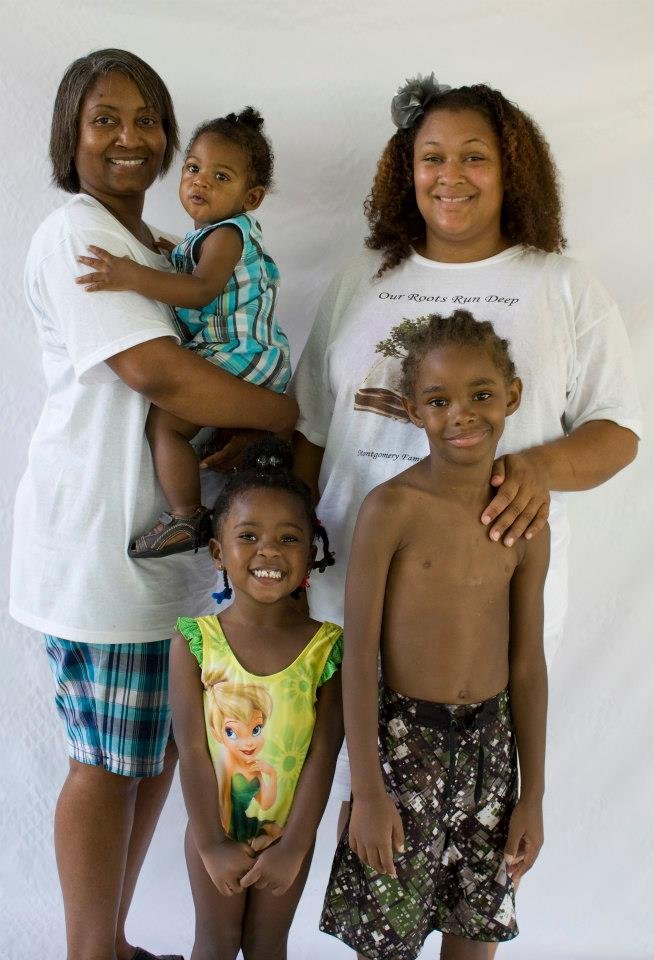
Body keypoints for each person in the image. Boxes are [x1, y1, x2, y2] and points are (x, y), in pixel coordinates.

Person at [291, 73, 641, 840]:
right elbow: (312, 430)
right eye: (432, 157)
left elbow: (618, 429)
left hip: (479, 615)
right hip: (342, 599)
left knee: (467, 836)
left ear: (512, 169)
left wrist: (540, 468)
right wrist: (289, 565)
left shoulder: (561, 286)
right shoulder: (362, 280)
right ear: (406, 170)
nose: (451, 176)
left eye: (474, 156)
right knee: (326, 813)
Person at [9, 49, 297, 960]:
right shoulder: (80, 236)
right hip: (104, 546)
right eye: (105, 118)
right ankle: (89, 952)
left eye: (145, 120)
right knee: (107, 762)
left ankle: (113, 943)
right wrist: (283, 414)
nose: (128, 136)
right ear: (71, 134)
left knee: (155, 754)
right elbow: (158, 374)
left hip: (166, 556)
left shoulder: (158, 248)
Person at [320, 310, 549, 959]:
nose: (462, 414)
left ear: (512, 396)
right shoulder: (391, 509)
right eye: (439, 400)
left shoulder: (523, 520)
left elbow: (527, 664)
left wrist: (531, 795)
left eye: (481, 394)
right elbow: (358, 657)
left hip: (491, 754)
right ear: (413, 410)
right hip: (402, 751)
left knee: (475, 934)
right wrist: (367, 790)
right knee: (386, 938)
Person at [75, 108, 290, 558]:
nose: (200, 181)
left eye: (221, 176)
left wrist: (132, 274)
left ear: (251, 197)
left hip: (239, 351)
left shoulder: (227, 235)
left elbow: (200, 291)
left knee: (165, 424)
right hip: (246, 353)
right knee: (226, 450)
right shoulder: (210, 237)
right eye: (193, 168)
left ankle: (185, 515)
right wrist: (175, 253)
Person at [170, 438, 343, 960]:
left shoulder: (326, 648)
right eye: (248, 536)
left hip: (289, 838)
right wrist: (211, 844)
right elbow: (192, 752)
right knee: (216, 944)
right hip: (214, 831)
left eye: (288, 538)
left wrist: (294, 845)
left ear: (311, 552)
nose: (268, 550)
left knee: (268, 945)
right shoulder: (195, 642)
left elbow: (323, 754)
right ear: (218, 551)